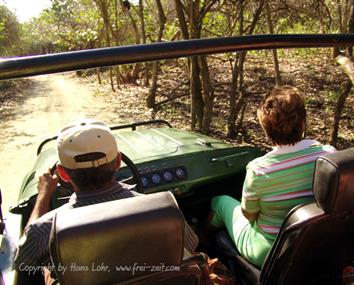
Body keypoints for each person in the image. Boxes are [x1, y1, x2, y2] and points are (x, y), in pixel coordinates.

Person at [14, 119, 198, 283]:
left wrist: (43, 195)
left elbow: (22, 262)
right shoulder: (165, 211)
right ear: (118, 161)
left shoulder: (47, 227)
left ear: (62, 173)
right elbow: (191, 245)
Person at [209, 85, 335, 267]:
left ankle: (202, 244)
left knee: (220, 202)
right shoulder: (329, 156)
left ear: (266, 130)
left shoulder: (258, 170)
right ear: (303, 123)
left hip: (272, 252)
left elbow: (250, 216)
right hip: (317, 243)